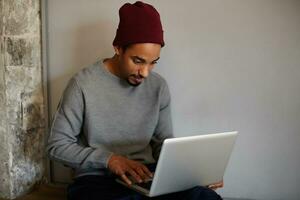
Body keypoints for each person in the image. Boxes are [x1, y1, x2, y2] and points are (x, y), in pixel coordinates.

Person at [47, 1, 223, 200]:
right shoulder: (82, 85)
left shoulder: (159, 86)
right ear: (118, 48)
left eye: (153, 63)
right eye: (138, 61)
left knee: (205, 197)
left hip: (147, 174)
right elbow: (56, 146)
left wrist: (191, 173)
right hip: (97, 179)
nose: (145, 73)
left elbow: (162, 144)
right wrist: (109, 160)